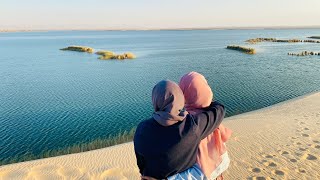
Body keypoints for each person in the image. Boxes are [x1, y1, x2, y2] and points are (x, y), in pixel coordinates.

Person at [134, 80, 225, 179]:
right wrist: (203, 98)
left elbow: (141, 163)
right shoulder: (191, 126)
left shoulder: (141, 129)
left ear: (155, 100)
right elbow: (220, 110)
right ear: (180, 99)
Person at [179, 72, 232, 180]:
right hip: (217, 161)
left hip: (199, 168)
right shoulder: (211, 116)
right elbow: (225, 136)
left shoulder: (185, 120)